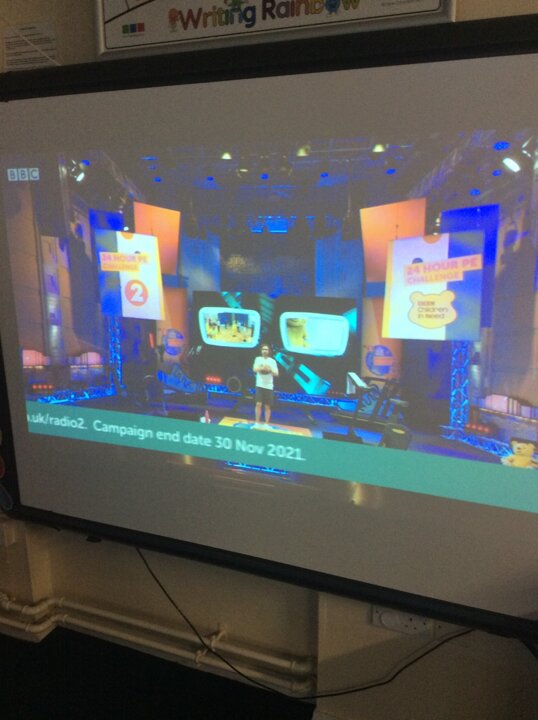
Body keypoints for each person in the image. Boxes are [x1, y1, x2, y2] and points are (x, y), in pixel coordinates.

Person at [252, 344, 278, 428]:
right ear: (261, 351)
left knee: (267, 406)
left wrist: (269, 369)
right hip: (259, 385)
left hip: (269, 386)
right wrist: (261, 368)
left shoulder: (272, 361)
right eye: (263, 349)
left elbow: (276, 373)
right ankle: (257, 423)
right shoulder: (258, 359)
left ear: (269, 351)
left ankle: (266, 424)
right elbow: (254, 369)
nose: (265, 351)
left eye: (266, 349)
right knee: (258, 404)